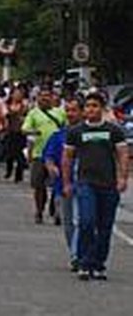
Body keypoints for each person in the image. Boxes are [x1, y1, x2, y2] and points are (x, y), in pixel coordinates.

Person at [63, 92, 129, 281]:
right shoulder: (76, 132)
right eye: (88, 106)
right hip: (85, 184)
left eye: (95, 106)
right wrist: (67, 183)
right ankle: (84, 262)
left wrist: (122, 178)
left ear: (102, 108)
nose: (91, 110)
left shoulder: (114, 131)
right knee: (87, 222)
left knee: (105, 227)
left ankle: (99, 264)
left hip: (108, 185)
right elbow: (67, 158)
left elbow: (123, 154)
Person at [44, 96, 83, 270]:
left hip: (85, 183)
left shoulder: (87, 134)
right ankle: (74, 252)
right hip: (64, 184)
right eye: (68, 110)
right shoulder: (59, 135)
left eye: (74, 110)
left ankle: (77, 255)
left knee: (80, 220)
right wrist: (51, 167)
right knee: (68, 222)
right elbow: (49, 156)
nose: (70, 114)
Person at [23, 87, 67, 224]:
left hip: (57, 154)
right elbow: (24, 129)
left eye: (48, 96)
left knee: (58, 183)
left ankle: (56, 209)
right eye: (42, 96)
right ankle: (39, 210)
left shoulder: (60, 113)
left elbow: (67, 129)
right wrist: (34, 132)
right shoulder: (33, 114)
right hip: (39, 154)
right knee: (38, 185)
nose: (45, 98)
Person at [3, 86, 29, 183]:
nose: (17, 95)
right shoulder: (6, 104)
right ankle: (9, 170)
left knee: (19, 154)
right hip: (9, 132)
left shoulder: (24, 106)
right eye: (16, 93)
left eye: (20, 94)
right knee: (9, 154)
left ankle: (19, 175)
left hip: (20, 132)